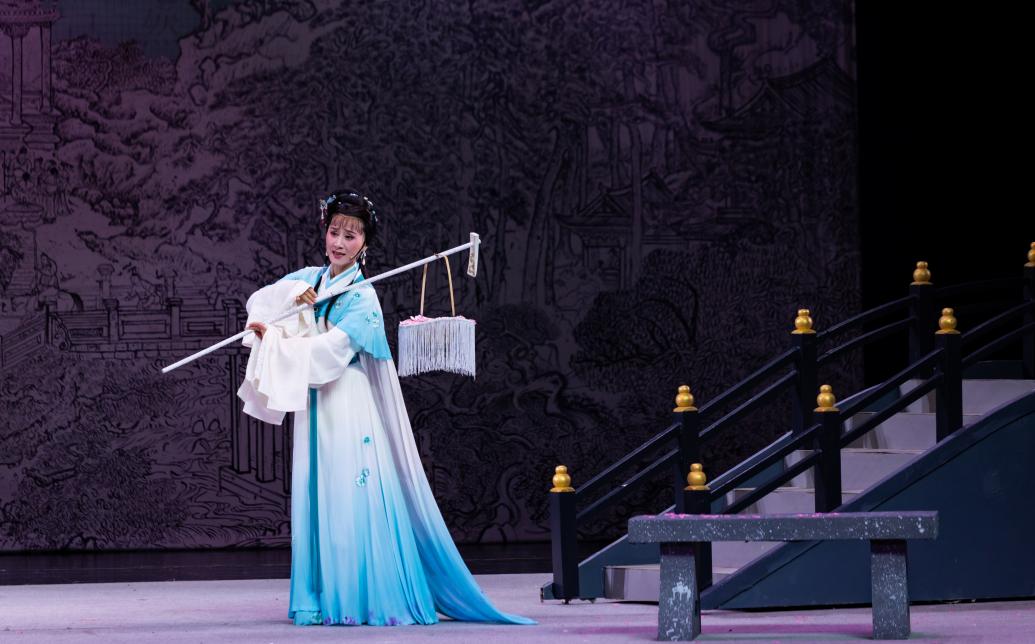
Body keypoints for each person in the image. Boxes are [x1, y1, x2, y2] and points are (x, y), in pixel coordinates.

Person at [238, 190, 533, 627]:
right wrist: (280, 312)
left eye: (351, 235)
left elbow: (329, 354)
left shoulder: (363, 298)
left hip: (345, 399)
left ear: (364, 244)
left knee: (346, 495)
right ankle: (316, 597)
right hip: (313, 402)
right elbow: (264, 301)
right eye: (335, 232)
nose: (340, 242)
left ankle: (358, 599)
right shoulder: (310, 280)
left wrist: (278, 344)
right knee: (314, 493)